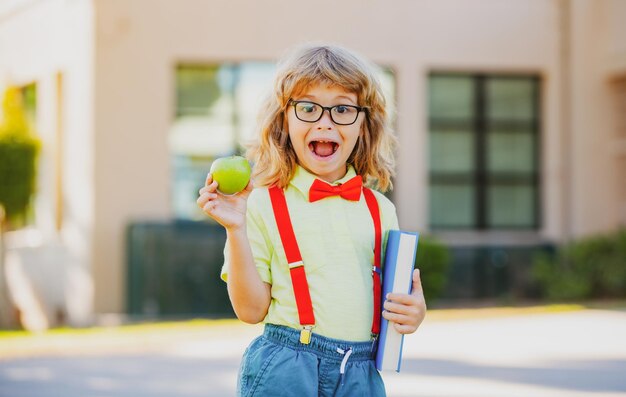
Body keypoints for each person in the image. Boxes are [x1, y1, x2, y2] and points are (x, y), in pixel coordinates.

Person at [197, 43, 426, 397]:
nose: (325, 122)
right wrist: (235, 229)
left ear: (364, 125)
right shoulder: (261, 203)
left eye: (343, 109)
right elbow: (250, 310)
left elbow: (393, 300)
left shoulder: (381, 210)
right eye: (308, 108)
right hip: (287, 368)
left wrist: (413, 312)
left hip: (360, 373)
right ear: (283, 121)